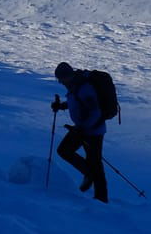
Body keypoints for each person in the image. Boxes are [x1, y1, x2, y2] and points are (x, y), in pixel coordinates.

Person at [54, 62, 109, 203]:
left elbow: (95, 111)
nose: (60, 82)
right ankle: (88, 174)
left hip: (94, 131)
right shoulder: (75, 86)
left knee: (95, 163)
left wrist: (84, 129)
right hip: (82, 129)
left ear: (67, 76)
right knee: (64, 150)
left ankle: (101, 198)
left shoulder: (84, 88)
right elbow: (77, 103)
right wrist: (61, 106)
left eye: (60, 79)